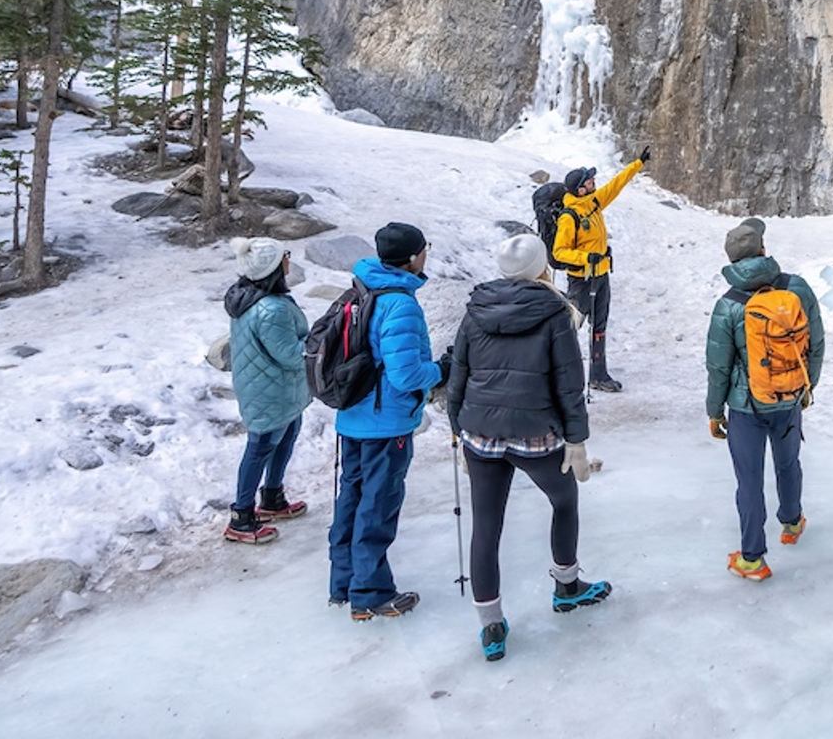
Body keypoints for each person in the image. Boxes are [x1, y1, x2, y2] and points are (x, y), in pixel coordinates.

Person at [447, 233, 611, 662]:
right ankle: (567, 585)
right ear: (542, 267)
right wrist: (575, 440)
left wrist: (457, 432)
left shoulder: (476, 309)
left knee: (486, 526)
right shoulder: (555, 310)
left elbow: (458, 377)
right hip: (536, 434)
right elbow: (569, 383)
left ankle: (491, 625)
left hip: (480, 436)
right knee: (565, 502)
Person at [327, 221, 447, 620]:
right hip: (385, 422)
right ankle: (371, 592)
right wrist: (441, 371)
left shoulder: (359, 290)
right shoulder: (400, 303)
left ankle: (343, 582)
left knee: (352, 499)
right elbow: (405, 375)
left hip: (353, 417)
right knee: (377, 504)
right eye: (424, 248)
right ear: (413, 257)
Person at [705, 216, 825, 582]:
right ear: (763, 250)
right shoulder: (797, 288)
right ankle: (791, 522)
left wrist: (714, 411)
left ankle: (752, 559)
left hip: (747, 406)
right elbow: (815, 343)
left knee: (750, 479)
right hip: (789, 396)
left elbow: (719, 368)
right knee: (789, 463)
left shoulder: (728, 305)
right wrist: (807, 387)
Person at [222, 238, 311, 545]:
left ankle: (272, 498)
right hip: (270, 390)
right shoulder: (270, 309)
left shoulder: (253, 297)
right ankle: (241, 516)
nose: (290, 259)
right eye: (285, 255)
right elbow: (289, 353)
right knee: (260, 446)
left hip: (275, 387)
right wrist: (319, 347)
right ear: (274, 267)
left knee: (287, 435)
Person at [550, 149, 650, 392]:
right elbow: (559, 252)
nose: (594, 183)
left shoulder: (593, 203)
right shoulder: (569, 216)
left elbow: (616, 185)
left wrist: (638, 164)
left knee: (599, 325)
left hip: (601, 275)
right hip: (581, 280)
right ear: (580, 189)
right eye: (589, 181)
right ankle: (555, 371)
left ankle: (598, 374)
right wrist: (587, 258)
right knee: (571, 325)